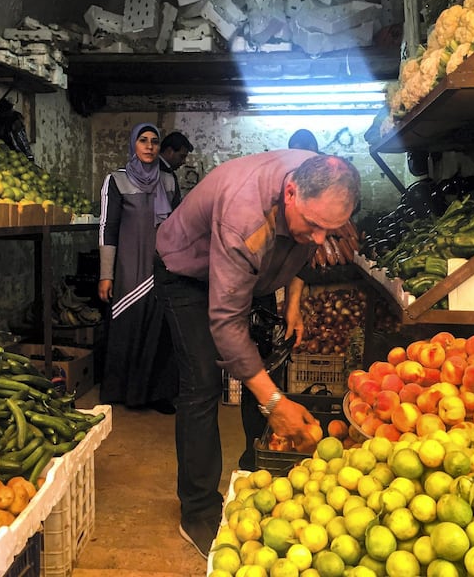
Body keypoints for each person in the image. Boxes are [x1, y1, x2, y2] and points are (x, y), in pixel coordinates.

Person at [154, 151, 360, 558]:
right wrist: (273, 401)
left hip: (257, 269)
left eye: (329, 229)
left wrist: (293, 302)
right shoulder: (244, 218)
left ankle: (258, 469)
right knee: (202, 384)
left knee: (266, 365)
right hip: (189, 275)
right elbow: (226, 323)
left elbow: (308, 249)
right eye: (316, 226)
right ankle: (197, 511)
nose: (322, 237)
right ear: (290, 193)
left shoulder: (320, 192)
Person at [98, 123, 180, 414]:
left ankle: (158, 394)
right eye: (143, 140)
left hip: (161, 267)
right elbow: (108, 227)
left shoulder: (168, 180)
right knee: (128, 326)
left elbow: (179, 225)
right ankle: (122, 391)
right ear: (133, 144)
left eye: (154, 141)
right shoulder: (116, 181)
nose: (149, 146)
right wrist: (106, 274)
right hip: (128, 268)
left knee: (160, 331)